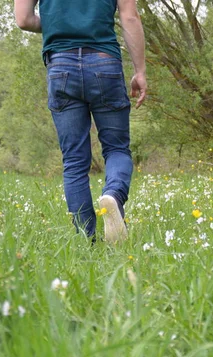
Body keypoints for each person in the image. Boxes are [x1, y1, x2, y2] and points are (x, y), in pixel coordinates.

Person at [14, 0, 147, 243]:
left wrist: (60, 24)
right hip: (104, 61)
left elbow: (24, 19)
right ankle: (113, 196)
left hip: (61, 65)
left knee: (74, 160)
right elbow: (130, 18)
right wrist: (140, 72)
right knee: (116, 148)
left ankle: (87, 243)